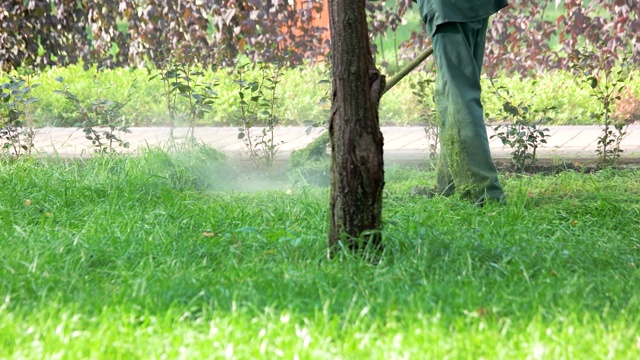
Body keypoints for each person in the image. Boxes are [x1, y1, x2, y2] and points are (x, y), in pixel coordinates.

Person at [412, 0, 508, 206]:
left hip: (448, 7)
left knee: (459, 94)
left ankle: (484, 192)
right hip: (474, 5)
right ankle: (449, 184)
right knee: (451, 93)